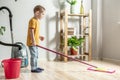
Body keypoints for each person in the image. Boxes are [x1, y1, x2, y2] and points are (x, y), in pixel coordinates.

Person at [26, 5, 45, 73]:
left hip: (35, 42)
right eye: (42, 14)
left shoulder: (37, 21)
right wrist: (33, 40)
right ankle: (33, 68)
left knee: (36, 55)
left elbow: (35, 32)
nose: (43, 15)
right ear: (37, 13)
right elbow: (31, 31)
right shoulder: (32, 20)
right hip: (32, 42)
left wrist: (39, 37)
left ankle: (36, 66)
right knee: (34, 55)